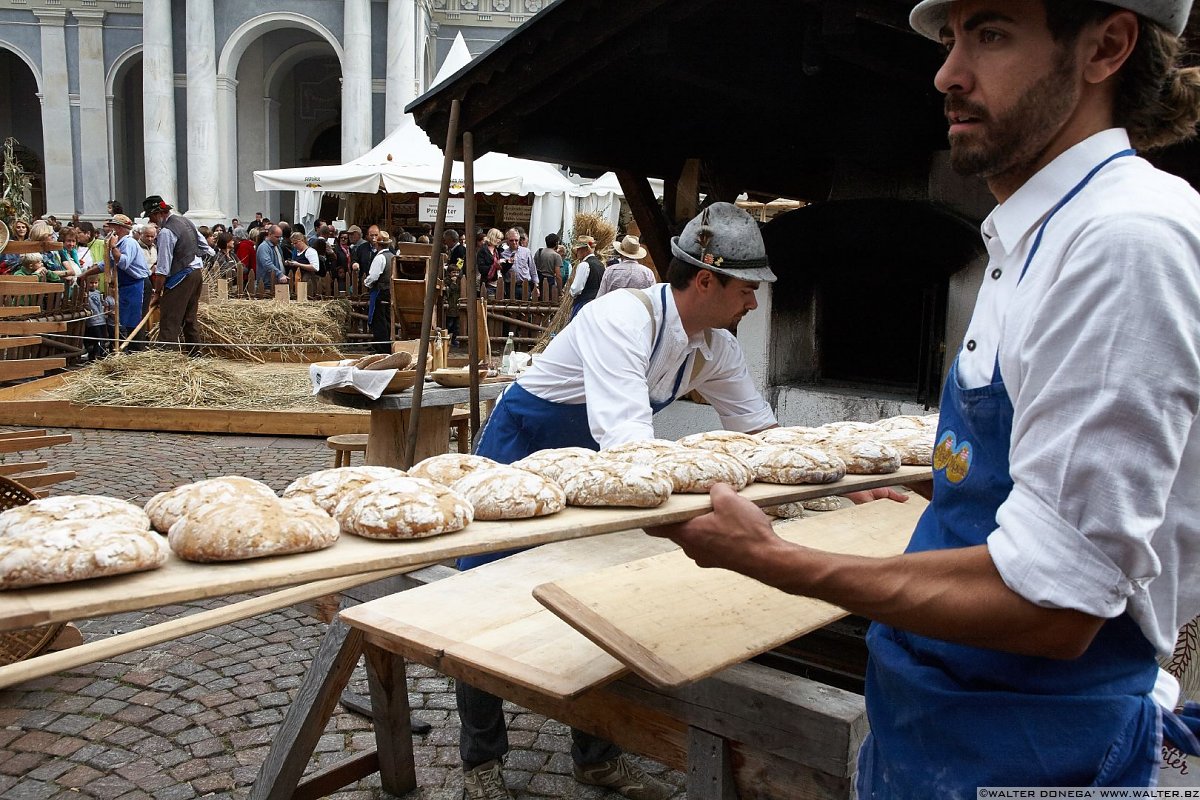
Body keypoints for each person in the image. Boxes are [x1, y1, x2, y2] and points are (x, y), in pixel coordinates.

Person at [654, 1, 1200, 796]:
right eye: (952, 40)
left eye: (992, 34)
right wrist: (940, 488)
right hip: (941, 728)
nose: (947, 73)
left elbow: (1054, 607)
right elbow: (1029, 480)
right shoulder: (1040, 236)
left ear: (1105, 47)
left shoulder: (1124, 242)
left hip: (1032, 745)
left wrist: (776, 560)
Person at [456, 203, 779, 800]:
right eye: (748, 288)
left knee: (599, 598)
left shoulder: (713, 348)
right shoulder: (620, 319)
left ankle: (597, 759)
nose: (754, 303)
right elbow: (629, 442)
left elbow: (760, 434)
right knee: (484, 601)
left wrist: (841, 484)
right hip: (524, 450)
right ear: (705, 280)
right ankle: (482, 761)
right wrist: (712, 500)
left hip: (600, 468)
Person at [143, 195, 212, 350]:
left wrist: (157, 292)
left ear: (158, 213)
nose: (151, 221)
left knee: (170, 319)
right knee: (189, 318)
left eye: (151, 216)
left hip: (181, 277)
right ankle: (195, 356)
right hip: (196, 273)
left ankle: (168, 361)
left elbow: (163, 269)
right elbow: (206, 248)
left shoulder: (167, 232)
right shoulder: (186, 221)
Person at [104, 213, 151, 350]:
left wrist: (113, 247)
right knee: (127, 320)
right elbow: (105, 264)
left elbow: (123, 262)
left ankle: (137, 351)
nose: (109, 230)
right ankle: (131, 349)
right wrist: (85, 274)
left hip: (138, 284)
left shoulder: (128, 242)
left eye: (112, 227)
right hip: (127, 286)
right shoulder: (119, 243)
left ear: (119, 228)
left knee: (135, 320)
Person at [363, 231, 396, 353]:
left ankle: (382, 349)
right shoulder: (392, 256)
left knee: (378, 320)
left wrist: (366, 283)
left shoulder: (380, 258)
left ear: (378, 245)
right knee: (386, 320)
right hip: (389, 291)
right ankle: (384, 346)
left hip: (379, 291)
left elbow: (374, 276)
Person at [567, 235, 604, 318]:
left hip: (583, 305)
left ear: (586, 249)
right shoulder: (601, 265)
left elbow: (576, 289)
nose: (577, 252)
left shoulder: (584, 265)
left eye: (579, 249)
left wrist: (570, 292)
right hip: (596, 305)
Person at [499, 227, 537, 299]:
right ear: (507, 241)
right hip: (510, 286)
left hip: (525, 285)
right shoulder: (503, 254)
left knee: (526, 307)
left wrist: (536, 285)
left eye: (516, 240)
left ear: (519, 240)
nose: (514, 242)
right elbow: (502, 271)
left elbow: (532, 269)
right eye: (511, 240)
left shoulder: (526, 251)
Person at [82, 274, 113, 361]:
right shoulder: (85, 294)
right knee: (97, 339)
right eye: (91, 283)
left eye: (96, 283)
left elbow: (102, 304)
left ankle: (101, 355)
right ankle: (95, 356)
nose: (94, 285)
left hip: (101, 319)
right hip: (93, 321)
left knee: (103, 338)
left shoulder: (98, 293)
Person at [255, 225, 287, 295]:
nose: (279, 239)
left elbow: (279, 261)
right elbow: (267, 264)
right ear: (269, 234)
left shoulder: (277, 246)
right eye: (277, 237)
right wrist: (280, 274)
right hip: (267, 285)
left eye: (280, 237)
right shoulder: (264, 247)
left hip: (276, 283)